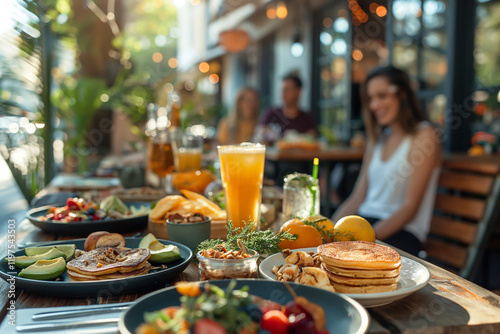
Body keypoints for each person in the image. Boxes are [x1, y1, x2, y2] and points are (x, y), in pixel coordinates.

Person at [332, 66, 442, 256]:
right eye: (371, 99)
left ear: (402, 94)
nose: (374, 105)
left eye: (381, 96)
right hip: (365, 224)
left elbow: (409, 207)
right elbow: (357, 198)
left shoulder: (424, 136)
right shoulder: (377, 139)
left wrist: (366, 240)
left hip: (401, 233)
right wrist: (328, 232)